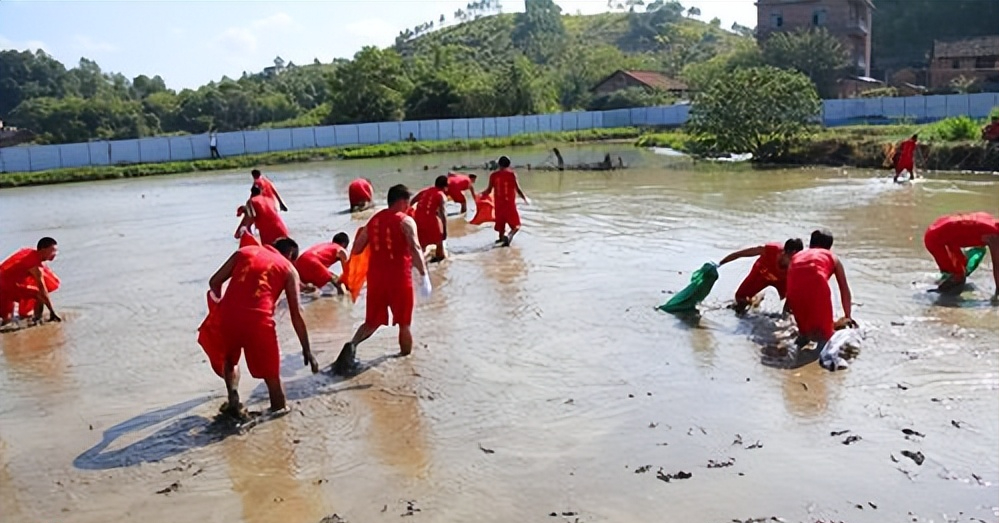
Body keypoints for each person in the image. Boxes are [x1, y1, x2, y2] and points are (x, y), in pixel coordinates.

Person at [204, 238, 317, 417]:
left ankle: (233, 396)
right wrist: (307, 349)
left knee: (231, 360)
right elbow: (296, 315)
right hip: (259, 321)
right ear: (290, 256)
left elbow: (214, 282)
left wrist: (220, 306)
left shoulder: (245, 252)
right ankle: (279, 413)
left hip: (228, 316)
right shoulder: (288, 269)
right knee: (272, 376)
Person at [333, 185, 432, 376]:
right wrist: (424, 274)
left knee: (371, 322)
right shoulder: (406, 221)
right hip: (399, 279)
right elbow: (416, 248)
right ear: (403, 201)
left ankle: (351, 347)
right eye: (408, 203)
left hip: (376, 279)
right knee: (404, 323)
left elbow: (357, 249)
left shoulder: (374, 221)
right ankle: (406, 362)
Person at [785, 229, 854, 350]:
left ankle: (799, 345)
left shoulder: (798, 255)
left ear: (811, 244)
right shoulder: (832, 257)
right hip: (817, 287)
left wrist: (787, 307)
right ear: (829, 247)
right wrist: (848, 315)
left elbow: (793, 281)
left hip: (793, 290)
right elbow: (843, 288)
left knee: (805, 332)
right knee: (826, 337)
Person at [923, 212, 999, 296]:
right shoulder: (994, 236)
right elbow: (997, 265)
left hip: (940, 231)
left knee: (962, 267)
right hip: (936, 239)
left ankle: (944, 281)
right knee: (959, 277)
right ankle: (937, 299)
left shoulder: (989, 220)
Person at [719, 238, 804, 313]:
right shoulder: (770, 250)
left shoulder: (798, 266)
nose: (795, 261)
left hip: (782, 280)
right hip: (761, 273)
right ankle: (754, 300)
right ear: (785, 253)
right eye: (792, 258)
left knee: (790, 308)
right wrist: (720, 264)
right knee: (740, 300)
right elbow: (740, 254)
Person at [0, 237, 61, 328]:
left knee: (7, 320)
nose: (55, 254)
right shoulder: (34, 266)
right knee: (38, 293)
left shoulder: (30, 253)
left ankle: (32, 317)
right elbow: (42, 290)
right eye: (52, 251)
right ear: (43, 250)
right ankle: (37, 319)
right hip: (4, 287)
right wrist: (52, 312)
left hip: (7, 283)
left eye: (56, 251)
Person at [481, 156, 529, 247]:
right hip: (509, 205)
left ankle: (501, 241)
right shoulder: (511, 174)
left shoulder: (493, 175)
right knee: (516, 226)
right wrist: (525, 198)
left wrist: (480, 195)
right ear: (509, 164)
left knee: (500, 227)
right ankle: (509, 235)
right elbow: (518, 189)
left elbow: (488, 190)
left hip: (498, 205)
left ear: (499, 164)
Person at [412, 176, 449, 262]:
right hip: (430, 220)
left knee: (422, 245)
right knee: (439, 242)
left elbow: (413, 201)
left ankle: (419, 261)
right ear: (445, 186)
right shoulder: (441, 195)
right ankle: (440, 262)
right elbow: (443, 214)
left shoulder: (426, 190)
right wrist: (445, 231)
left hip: (418, 218)